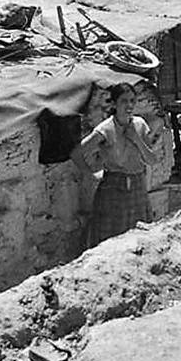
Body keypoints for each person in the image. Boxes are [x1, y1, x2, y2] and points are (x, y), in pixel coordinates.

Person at [72, 82, 159, 246]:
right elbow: (77, 153)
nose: (129, 106)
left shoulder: (139, 125)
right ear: (114, 104)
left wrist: (136, 139)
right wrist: (89, 173)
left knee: (139, 239)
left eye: (132, 101)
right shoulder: (106, 129)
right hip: (114, 187)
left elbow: (151, 159)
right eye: (124, 101)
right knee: (111, 240)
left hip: (137, 186)